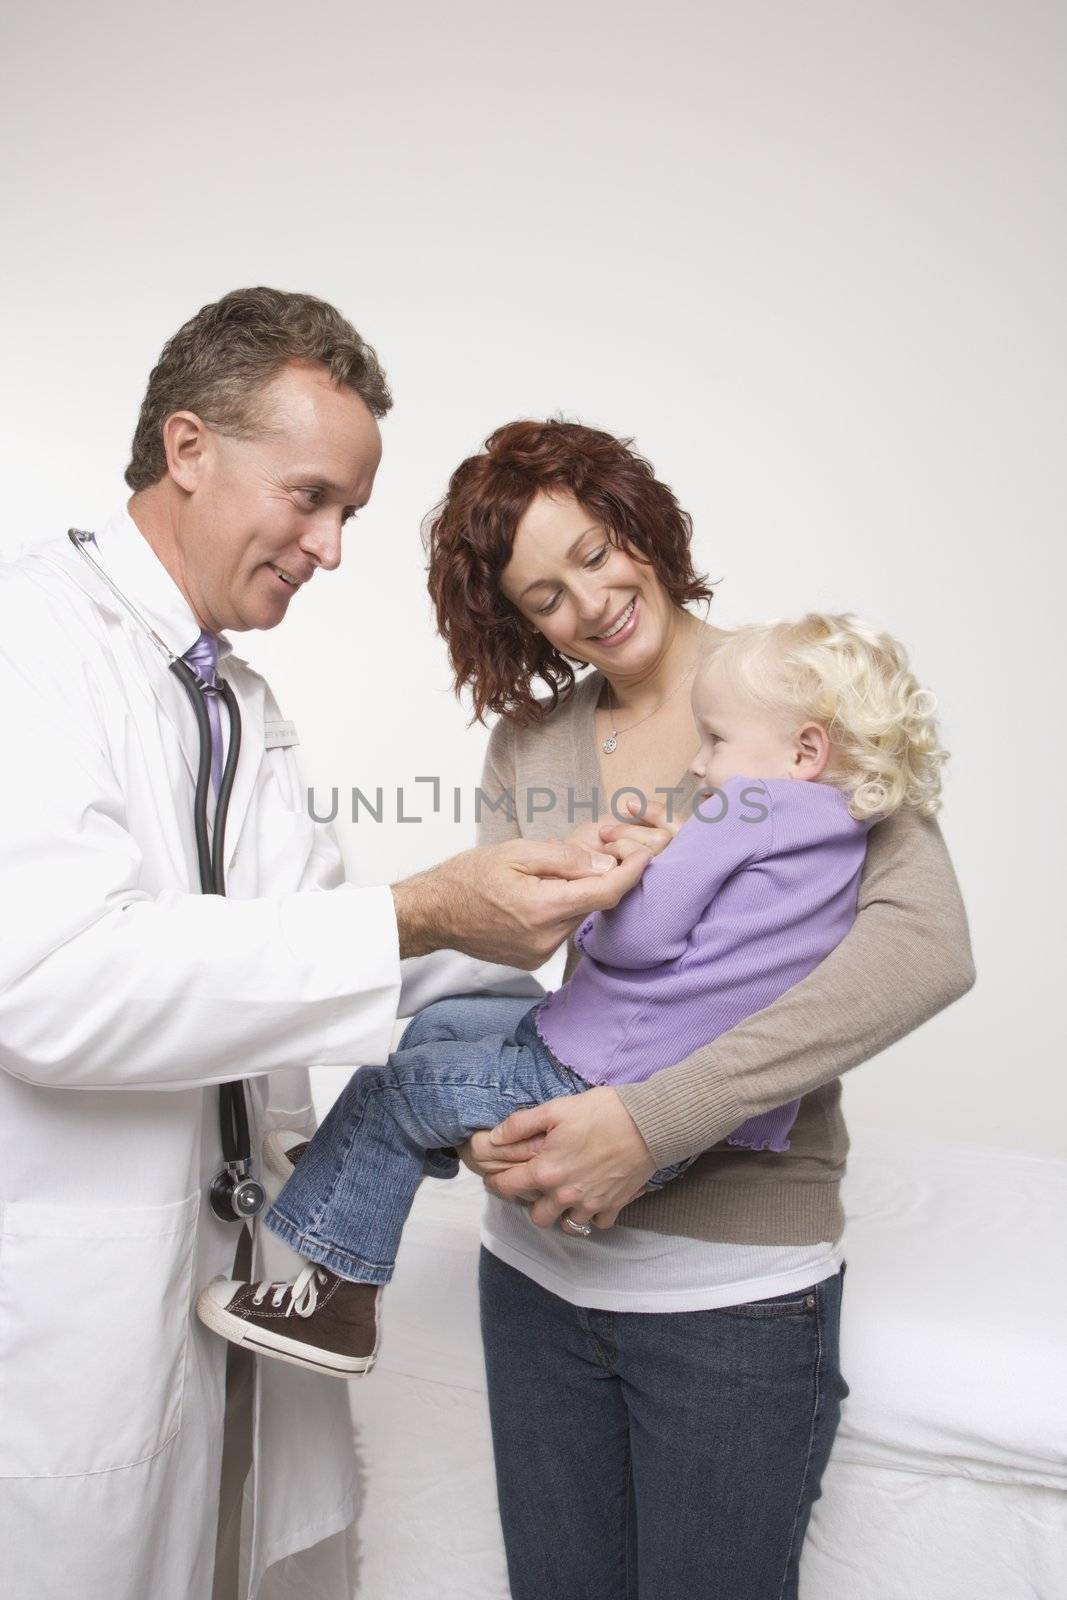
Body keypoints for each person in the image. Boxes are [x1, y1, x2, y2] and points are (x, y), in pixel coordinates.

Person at [0, 296, 655, 1600]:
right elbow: (50, 985)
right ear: (188, 447)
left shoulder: (236, 698)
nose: (332, 548)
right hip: (82, 1316)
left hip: (249, 1284)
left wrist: (571, 952)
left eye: (347, 511)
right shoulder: (33, 645)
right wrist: (421, 909)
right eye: (311, 498)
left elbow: (314, 951)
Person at [420, 419, 974, 1600]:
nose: (589, 599)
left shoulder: (793, 696)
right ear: (517, 623)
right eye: (542, 593)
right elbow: (506, 971)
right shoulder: (533, 745)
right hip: (531, 1276)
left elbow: (925, 947)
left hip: (726, 1298)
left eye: (594, 547)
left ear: (640, 520)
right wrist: (470, 1115)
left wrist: (655, 1122)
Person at [195, 610, 942, 1383]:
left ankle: (336, 1307)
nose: (698, 764)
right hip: (685, 1104)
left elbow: (636, 942)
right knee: (455, 1018)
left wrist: (623, 878)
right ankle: (356, 1171)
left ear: (803, 750)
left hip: (599, 1087)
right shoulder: (848, 829)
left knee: (387, 1093)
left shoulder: (738, 812)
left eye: (715, 742)